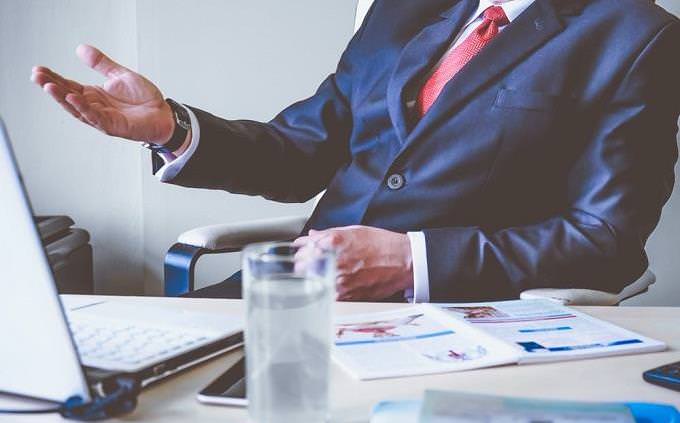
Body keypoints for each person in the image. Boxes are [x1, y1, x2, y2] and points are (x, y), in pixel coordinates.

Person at [31, 0, 680, 302]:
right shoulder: (402, 9)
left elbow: (605, 237)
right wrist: (171, 127)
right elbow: (301, 149)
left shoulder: (637, 36)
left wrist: (411, 261)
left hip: (457, 317)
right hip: (297, 291)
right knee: (115, 376)